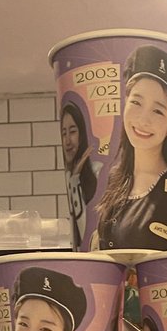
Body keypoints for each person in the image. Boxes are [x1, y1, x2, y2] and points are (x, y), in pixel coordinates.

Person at [91, 45, 167, 251]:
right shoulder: (115, 177)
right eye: (136, 102)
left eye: (158, 111)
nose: (143, 120)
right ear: (125, 103)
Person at [60, 100, 100, 248]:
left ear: (82, 134)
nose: (67, 141)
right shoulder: (71, 177)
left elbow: (86, 231)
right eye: (64, 133)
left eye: (72, 132)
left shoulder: (97, 170)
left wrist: (75, 178)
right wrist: (75, 176)